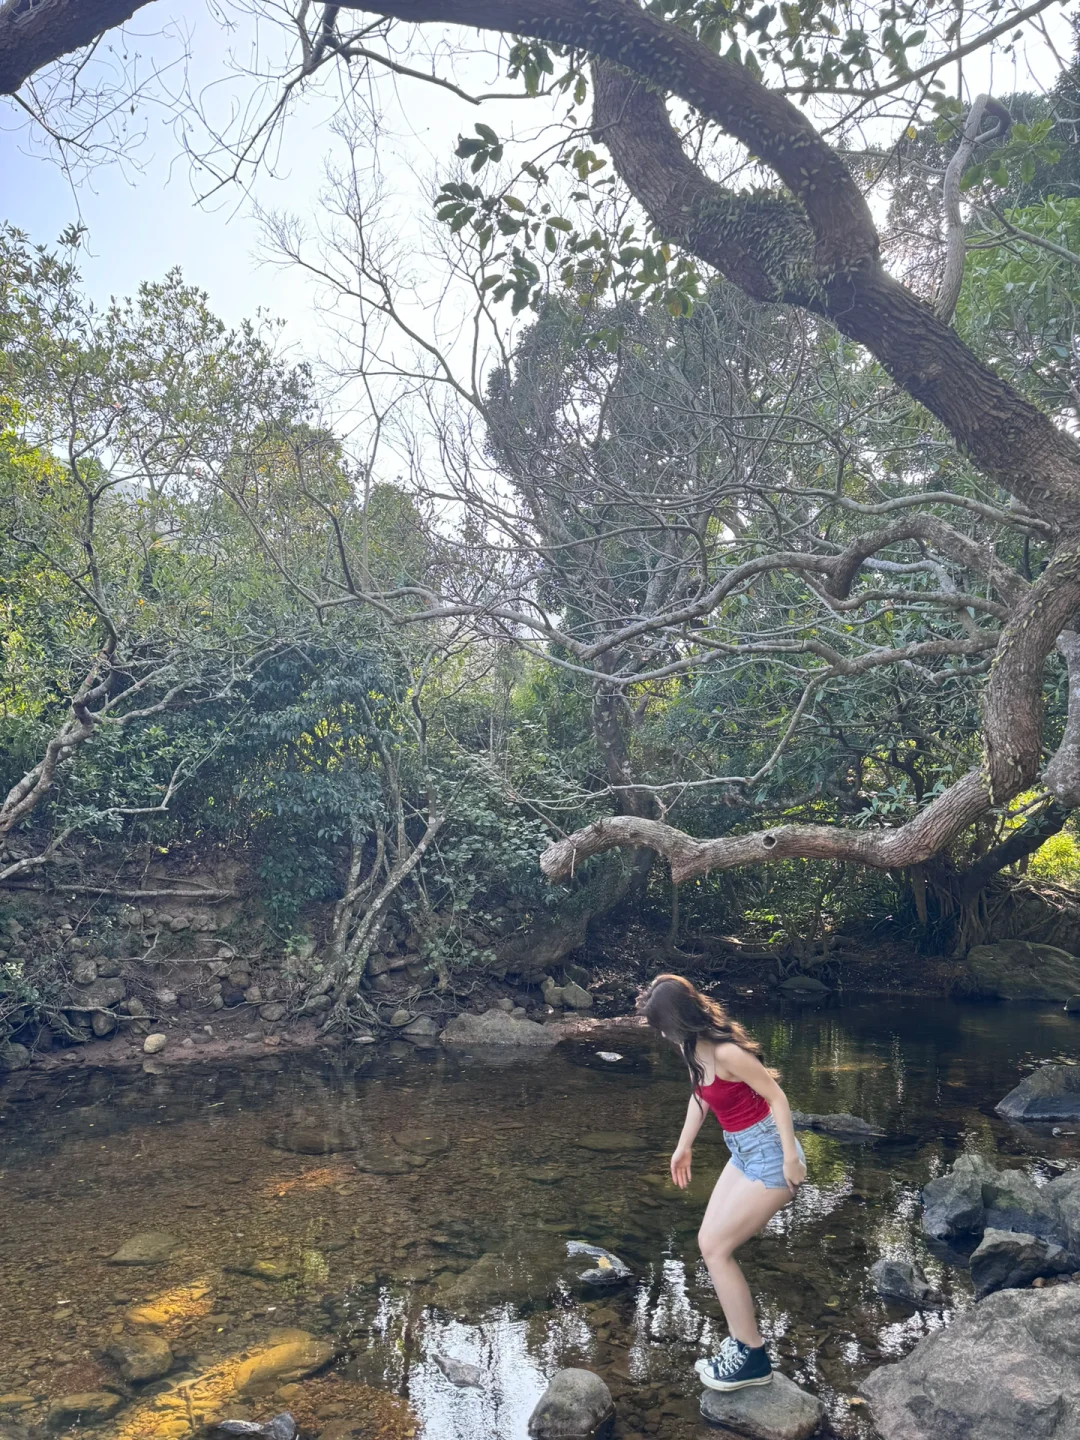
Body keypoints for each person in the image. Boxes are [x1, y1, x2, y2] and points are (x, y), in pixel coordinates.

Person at [640, 973, 806, 1393]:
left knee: (717, 1249)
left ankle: (753, 1356)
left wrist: (790, 1157)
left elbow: (776, 1097)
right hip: (742, 1151)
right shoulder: (690, 1047)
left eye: (661, 1027)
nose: (661, 1036)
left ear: (675, 1020)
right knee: (706, 1242)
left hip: (770, 1156)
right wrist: (683, 1147)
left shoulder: (729, 1053)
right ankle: (742, 1344)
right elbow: (700, 1095)